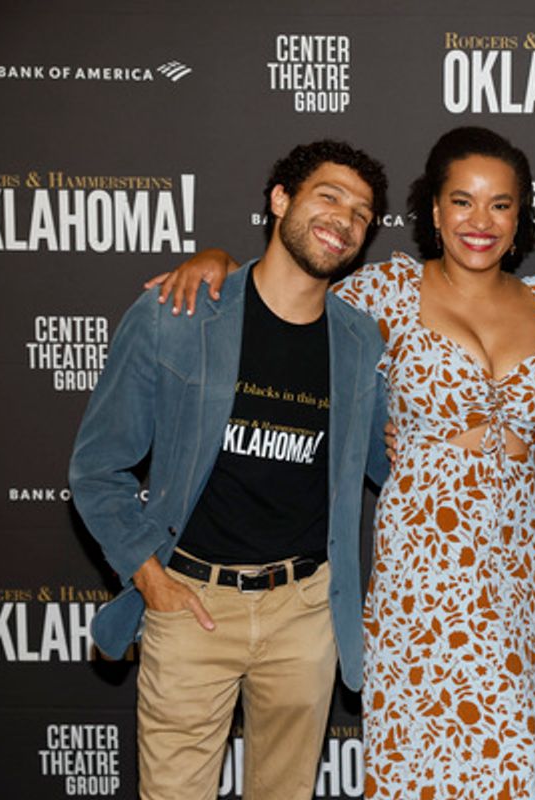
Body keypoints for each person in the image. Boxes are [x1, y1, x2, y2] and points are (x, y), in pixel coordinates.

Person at [150, 127, 535, 799]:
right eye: (462, 201)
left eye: (501, 205)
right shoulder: (384, 292)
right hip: (424, 579)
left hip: (523, 575)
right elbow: (280, 294)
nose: (481, 221)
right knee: (423, 764)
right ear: (433, 210)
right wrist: (217, 261)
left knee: (516, 759)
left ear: (520, 217)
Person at [68, 140, 391, 799]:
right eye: (329, 197)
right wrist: (150, 578)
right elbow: (97, 467)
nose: (345, 219)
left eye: (362, 213)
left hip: (305, 610)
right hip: (191, 603)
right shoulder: (180, 313)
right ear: (280, 200)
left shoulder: (360, 340)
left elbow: (393, 461)